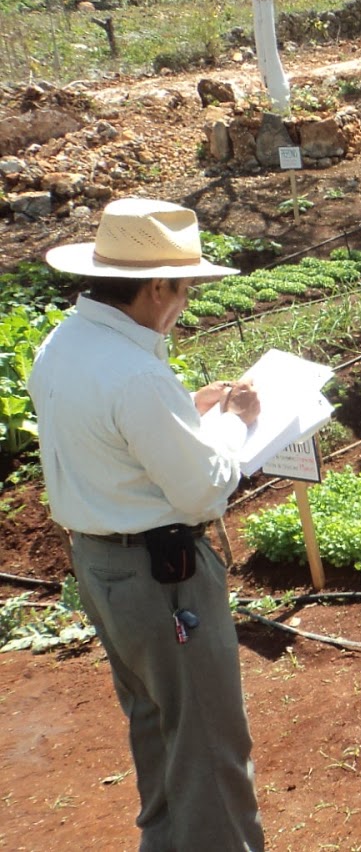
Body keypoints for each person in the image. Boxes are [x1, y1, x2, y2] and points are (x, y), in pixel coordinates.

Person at [28, 197, 267, 851]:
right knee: (209, 745)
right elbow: (201, 493)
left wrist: (187, 412)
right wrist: (234, 425)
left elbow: (107, 440)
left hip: (105, 570)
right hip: (164, 579)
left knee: (155, 721)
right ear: (157, 285)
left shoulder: (66, 344)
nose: (187, 299)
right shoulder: (135, 373)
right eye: (186, 286)